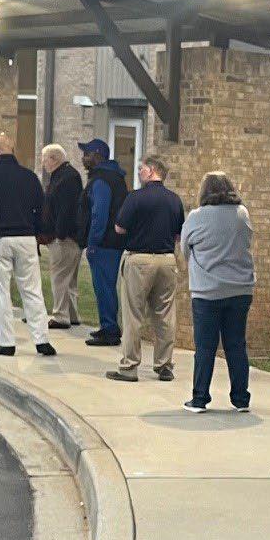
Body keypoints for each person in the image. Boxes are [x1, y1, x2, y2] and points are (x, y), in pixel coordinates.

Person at [0, 134, 55, 357]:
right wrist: (37, 230)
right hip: (25, 237)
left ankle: (5, 342)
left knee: (0, 292)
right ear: (12, 151)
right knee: (32, 289)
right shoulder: (29, 177)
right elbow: (41, 208)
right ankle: (42, 339)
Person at [181, 171, 255, 413]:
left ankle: (200, 398)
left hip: (207, 291)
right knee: (236, 345)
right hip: (240, 289)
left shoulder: (196, 216)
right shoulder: (241, 213)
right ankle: (241, 399)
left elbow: (184, 249)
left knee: (205, 347)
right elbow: (247, 241)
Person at [107, 155, 185, 383]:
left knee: (133, 314)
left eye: (142, 168)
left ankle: (129, 366)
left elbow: (120, 228)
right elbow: (178, 234)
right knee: (165, 314)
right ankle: (164, 365)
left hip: (139, 259)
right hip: (167, 260)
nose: (139, 171)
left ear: (151, 171)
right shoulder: (174, 200)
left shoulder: (136, 197)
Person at [78, 139, 129, 347]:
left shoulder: (101, 180)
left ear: (97, 156)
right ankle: (107, 326)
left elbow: (99, 214)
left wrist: (92, 243)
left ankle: (110, 329)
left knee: (104, 286)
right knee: (106, 286)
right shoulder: (115, 177)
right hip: (113, 242)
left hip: (104, 244)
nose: (83, 158)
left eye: (87, 154)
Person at [40, 143, 85, 330]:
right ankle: (72, 315)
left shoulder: (66, 178)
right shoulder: (65, 176)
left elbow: (65, 209)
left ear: (54, 159)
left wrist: (60, 234)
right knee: (69, 279)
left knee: (59, 276)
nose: (43, 163)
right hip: (68, 236)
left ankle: (60, 316)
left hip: (65, 238)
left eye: (44, 159)